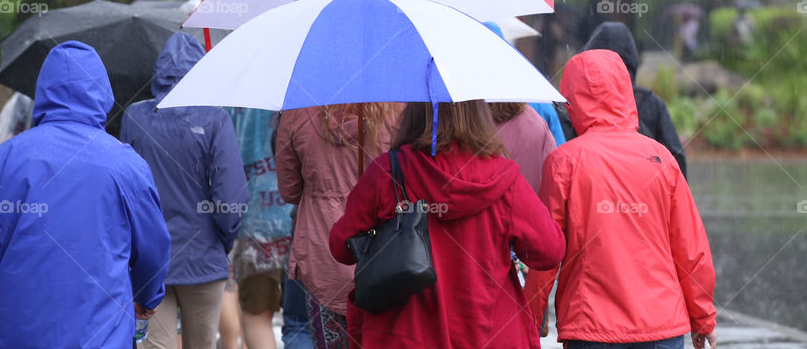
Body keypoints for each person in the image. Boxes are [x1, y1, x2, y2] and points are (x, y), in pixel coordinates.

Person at [0, 40, 170, 348]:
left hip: (17, 334)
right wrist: (147, 298)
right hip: (103, 336)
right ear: (103, 92)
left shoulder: (1, 162)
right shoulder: (127, 165)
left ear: (43, 92)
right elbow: (153, 249)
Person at [329, 100, 566, 349]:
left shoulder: (386, 172)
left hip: (404, 335)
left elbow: (341, 247)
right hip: (491, 333)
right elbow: (550, 251)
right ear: (479, 117)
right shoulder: (505, 178)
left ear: (414, 115)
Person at [524, 50, 717, 349]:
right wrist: (703, 317)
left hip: (591, 326)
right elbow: (690, 248)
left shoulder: (564, 162)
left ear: (572, 98)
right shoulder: (661, 159)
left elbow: (545, 253)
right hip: (661, 324)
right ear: (625, 90)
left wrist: (530, 318)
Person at [120, 33, 249, 349]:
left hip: (148, 261)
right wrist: (223, 239)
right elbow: (230, 196)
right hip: (203, 257)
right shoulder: (216, 119)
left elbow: (125, 189)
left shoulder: (134, 117)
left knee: (155, 346)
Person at [275, 103, 400, 349]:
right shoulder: (399, 109)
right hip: (386, 255)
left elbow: (289, 190)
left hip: (322, 255)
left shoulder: (298, 110)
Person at [561, 21, 687, 178]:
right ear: (634, 64)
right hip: (644, 190)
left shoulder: (576, 103)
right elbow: (676, 159)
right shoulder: (652, 104)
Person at [227, 107, 293, 349]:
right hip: (302, 220)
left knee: (257, 314)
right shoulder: (304, 86)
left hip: (255, 221)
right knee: (302, 319)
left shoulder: (238, 90)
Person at [490, 102, 557, 193]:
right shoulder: (536, 118)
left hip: (493, 202)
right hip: (533, 201)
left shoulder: (474, 126)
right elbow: (553, 165)